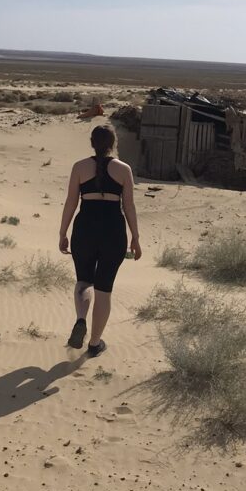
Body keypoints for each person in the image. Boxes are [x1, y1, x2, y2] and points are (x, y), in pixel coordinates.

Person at [59, 124, 141, 357]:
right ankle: (94, 343)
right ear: (113, 143)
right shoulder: (123, 169)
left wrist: (62, 232)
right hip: (113, 230)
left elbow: (71, 203)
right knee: (104, 289)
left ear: (92, 143)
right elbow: (129, 206)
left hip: (85, 228)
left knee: (84, 281)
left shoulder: (79, 167)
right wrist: (135, 237)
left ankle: (81, 318)